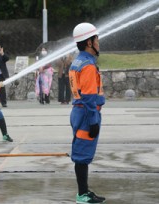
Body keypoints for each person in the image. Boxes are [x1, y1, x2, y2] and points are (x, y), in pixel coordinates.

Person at [69, 22, 106, 203]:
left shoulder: (77, 62)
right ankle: (82, 194)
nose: (99, 42)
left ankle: (84, 191)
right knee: (82, 155)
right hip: (86, 113)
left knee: (81, 152)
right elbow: (90, 96)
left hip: (78, 111)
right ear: (89, 42)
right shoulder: (88, 66)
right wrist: (93, 120)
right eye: (96, 39)